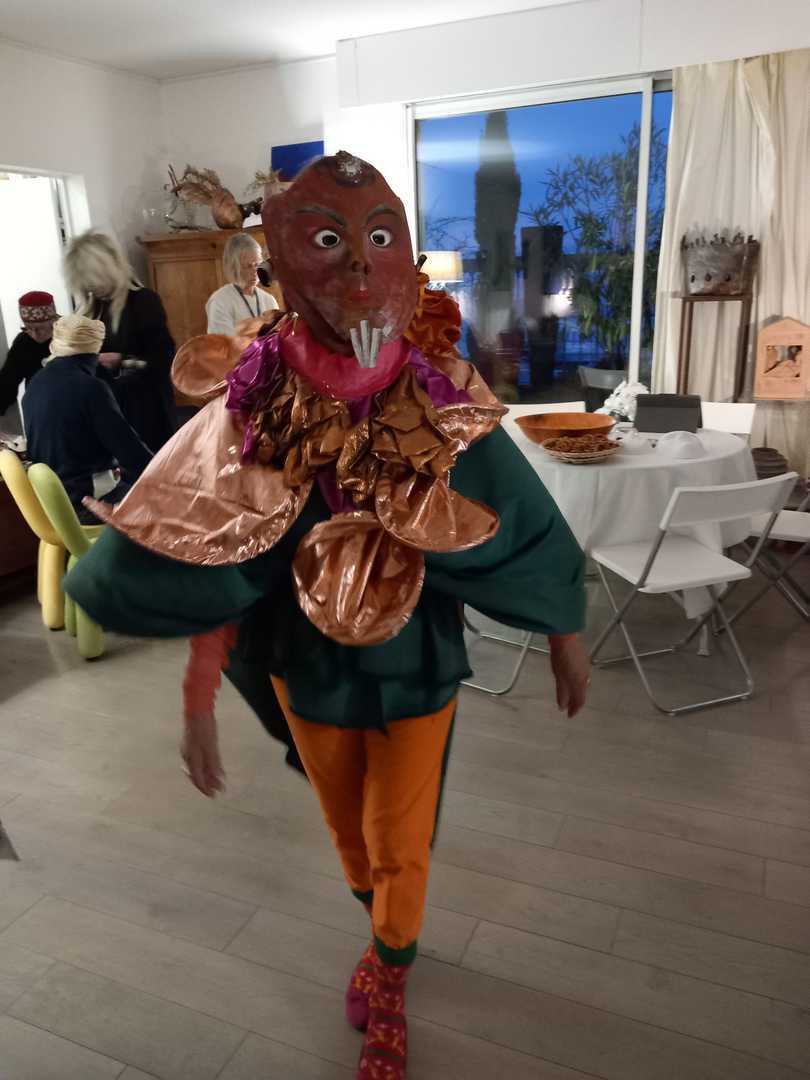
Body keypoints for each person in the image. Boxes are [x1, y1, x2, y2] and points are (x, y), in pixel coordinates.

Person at [64, 152, 589, 1080]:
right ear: (278, 260)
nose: (357, 264)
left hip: (417, 659)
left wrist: (565, 633)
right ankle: (382, 933)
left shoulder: (435, 391)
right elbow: (217, 546)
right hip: (304, 664)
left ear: (403, 253)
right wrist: (196, 697)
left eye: (378, 238)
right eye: (328, 241)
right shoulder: (254, 401)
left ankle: (390, 970)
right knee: (351, 836)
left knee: (400, 840)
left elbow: (518, 515)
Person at [23, 314, 151, 522]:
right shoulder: (90, 387)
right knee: (166, 502)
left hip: (52, 503)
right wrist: (169, 470)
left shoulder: (34, 383)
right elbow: (130, 453)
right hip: (88, 502)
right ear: (94, 352)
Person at [63, 230, 176, 453]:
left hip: (146, 415)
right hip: (108, 416)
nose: (92, 288)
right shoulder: (90, 309)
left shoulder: (143, 302)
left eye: (95, 279)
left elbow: (164, 360)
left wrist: (121, 361)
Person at [205, 233, 278, 335]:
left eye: (257, 264)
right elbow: (222, 341)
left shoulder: (269, 300)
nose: (255, 271)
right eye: (248, 266)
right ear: (234, 267)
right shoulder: (219, 301)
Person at [0, 292, 59, 416]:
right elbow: (7, 382)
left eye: (40, 328)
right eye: (27, 328)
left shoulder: (74, 336)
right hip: (40, 412)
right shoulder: (23, 342)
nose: (34, 335)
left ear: (54, 320)